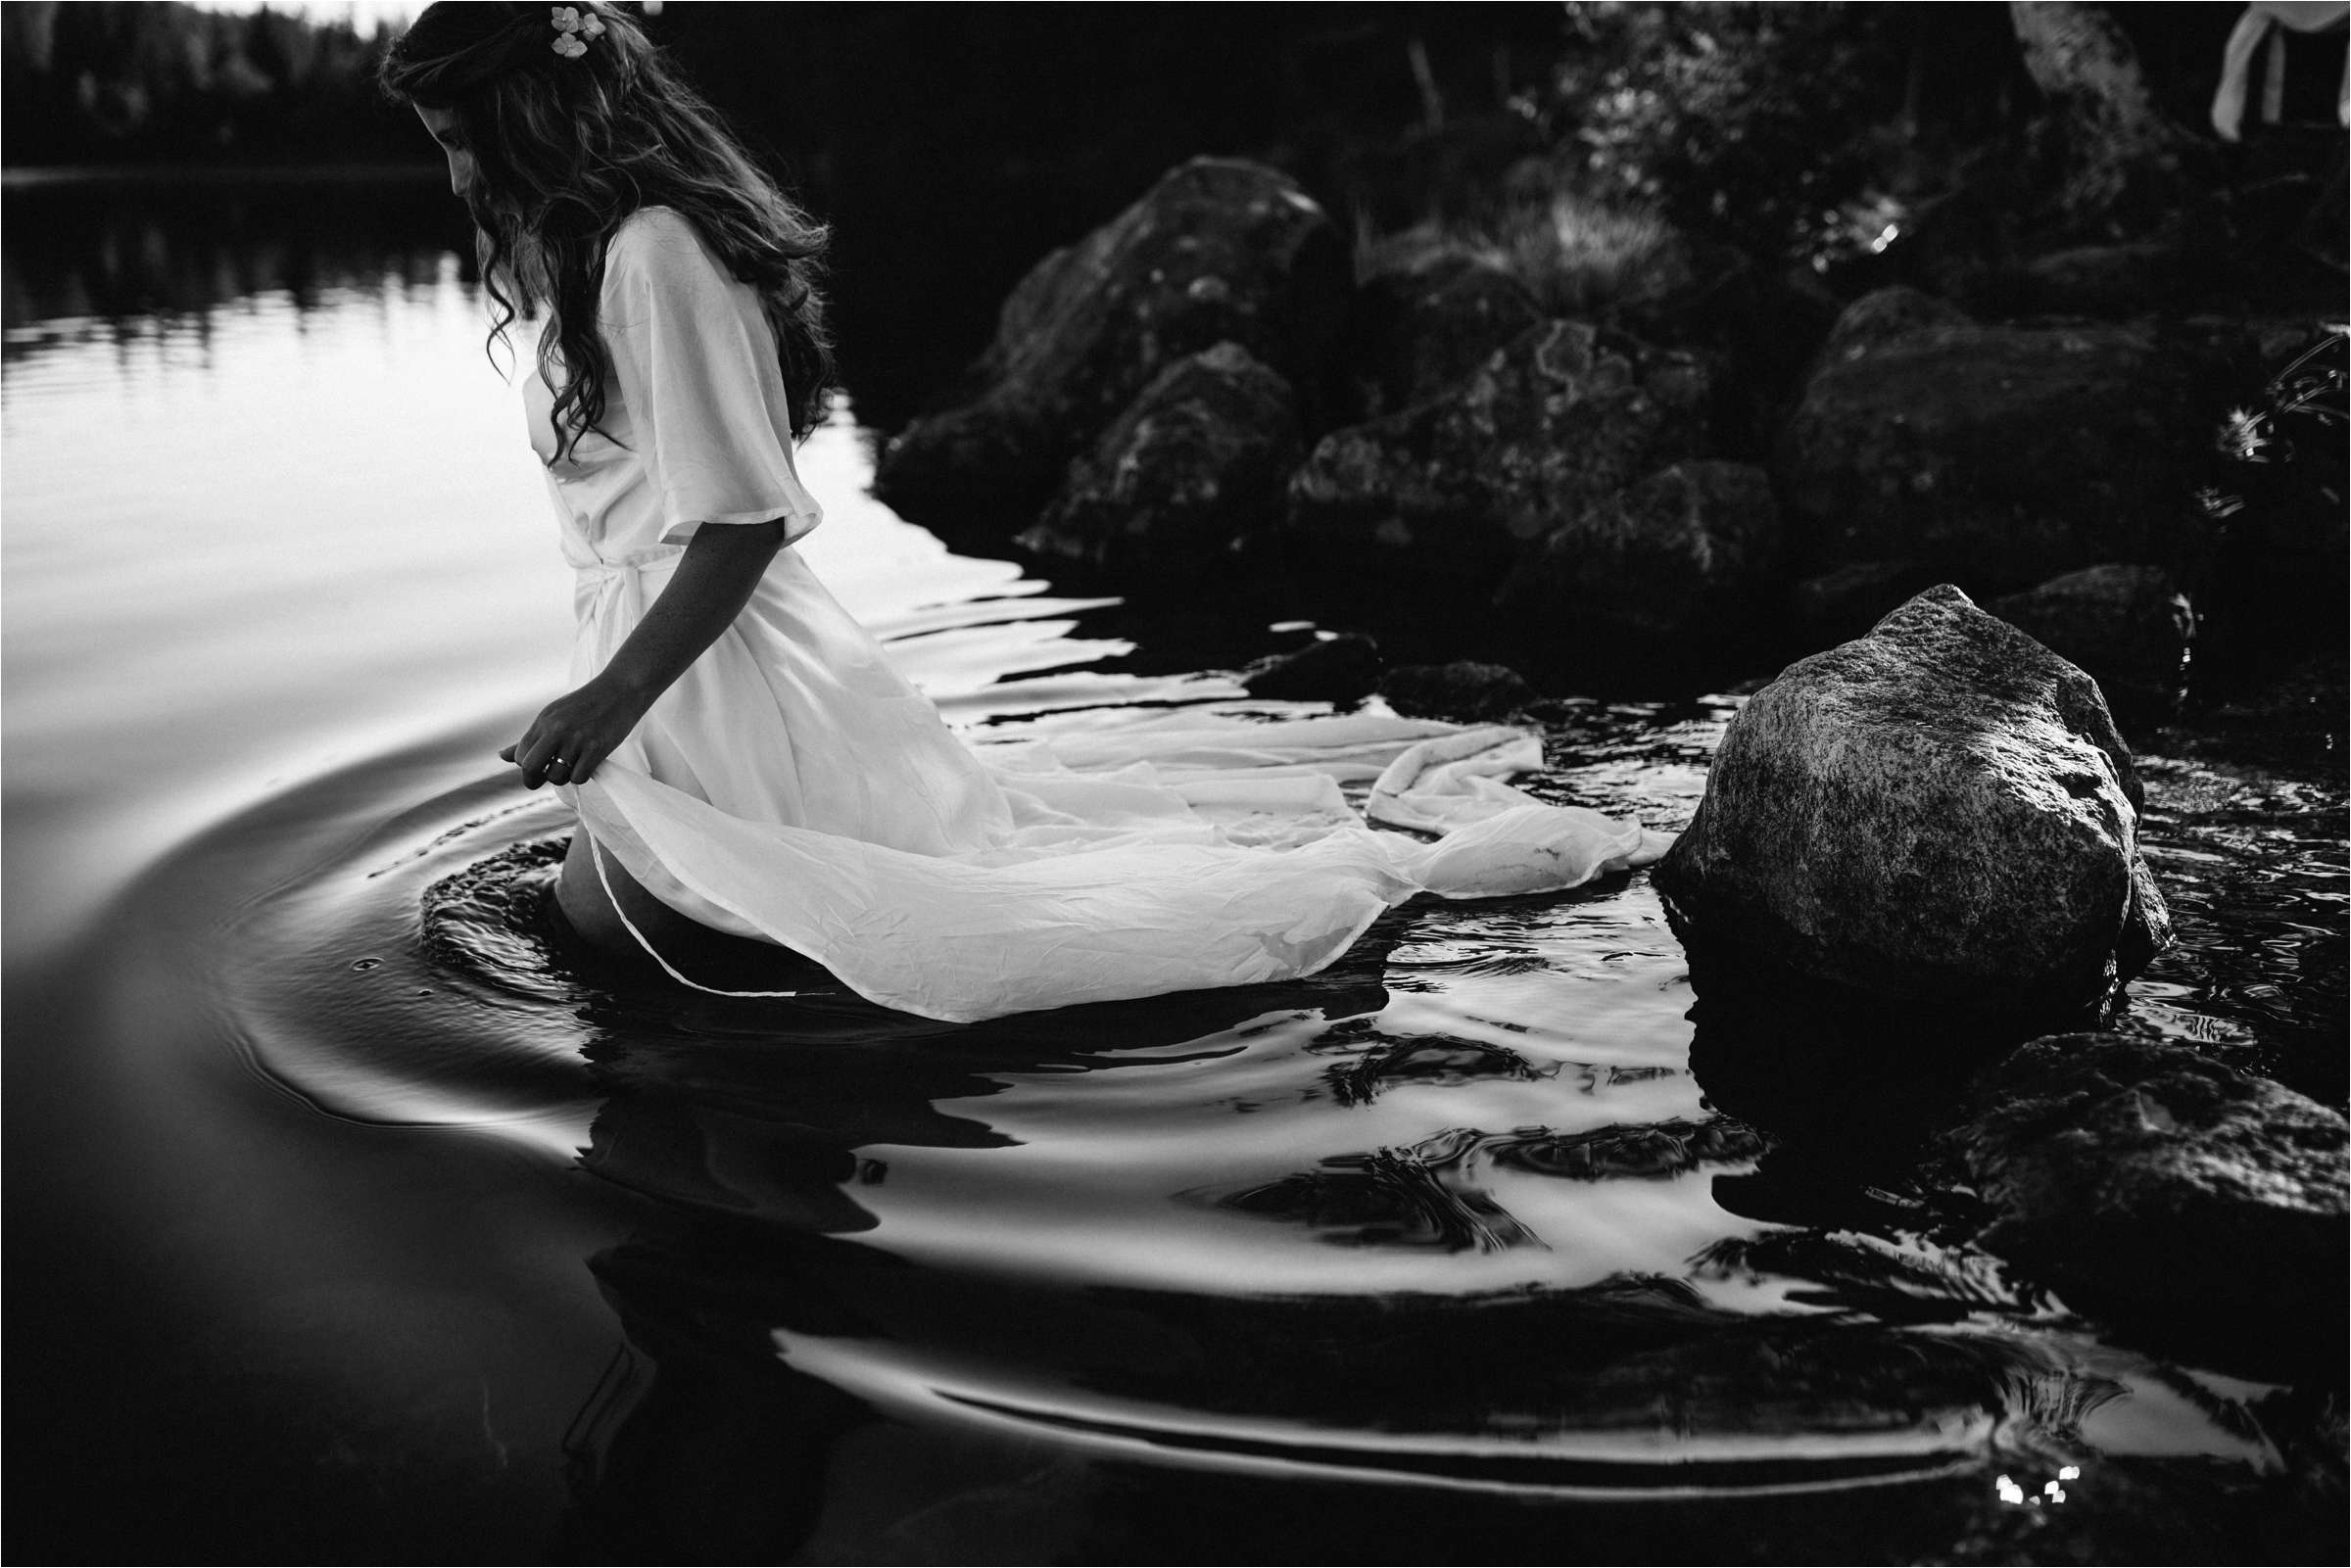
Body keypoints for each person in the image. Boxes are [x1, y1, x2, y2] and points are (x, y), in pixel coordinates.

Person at [381, 2, 1667, 1024]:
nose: (450, 174)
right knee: (639, 936)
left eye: (455, 136)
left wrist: (610, 698)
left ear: (528, 115)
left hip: (693, 675)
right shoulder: (594, 257)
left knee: (707, 944)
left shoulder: (657, 253)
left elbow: (743, 522)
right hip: (665, 668)